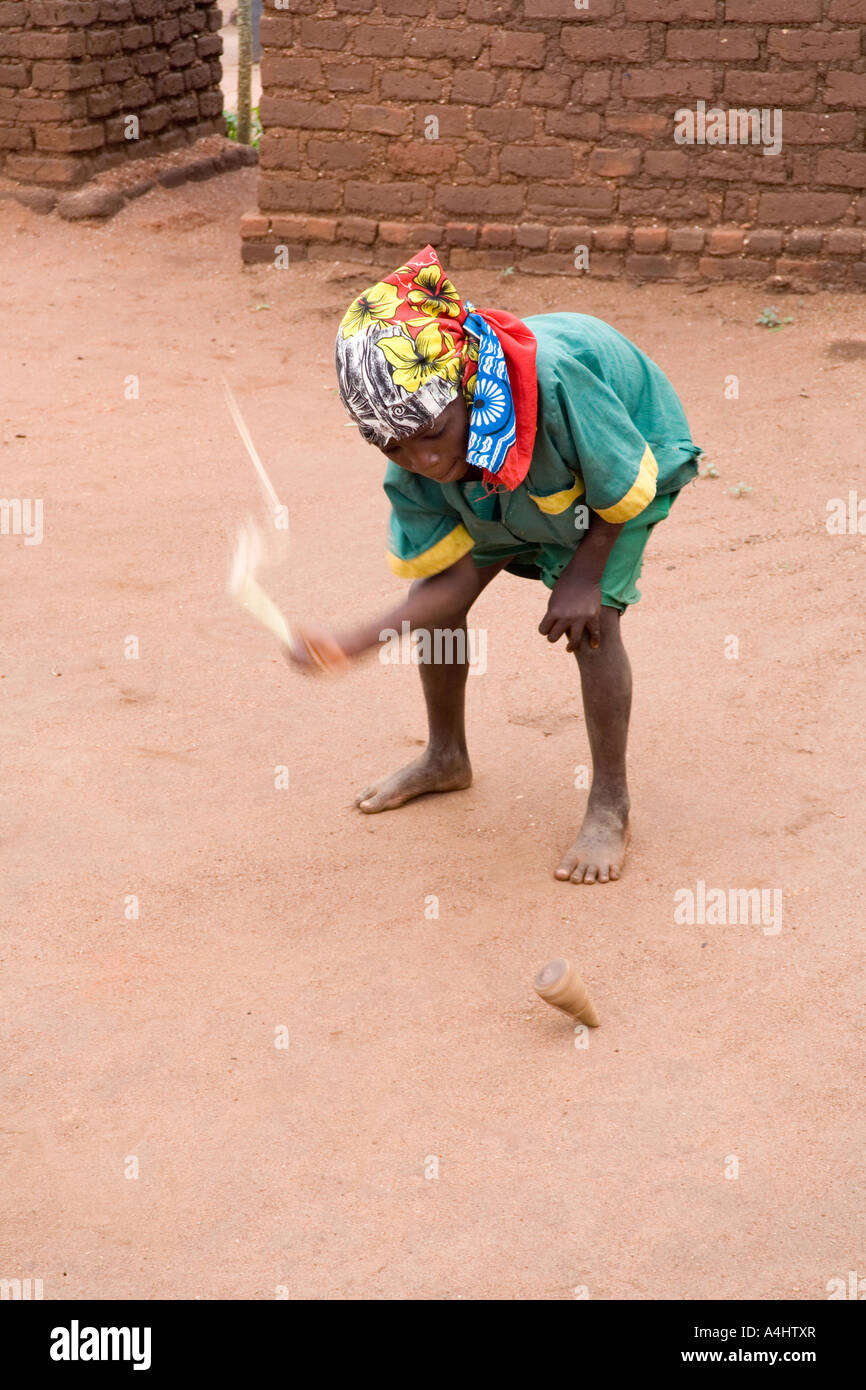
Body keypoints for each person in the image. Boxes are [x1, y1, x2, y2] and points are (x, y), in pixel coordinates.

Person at [290, 246, 700, 885]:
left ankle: (610, 803)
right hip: (496, 479)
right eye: (395, 446)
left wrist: (584, 577)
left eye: (431, 434)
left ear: (464, 385)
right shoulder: (420, 447)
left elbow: (620, 479)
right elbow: (448, 583)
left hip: (609, 469)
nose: (421, 459)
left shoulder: (555, 381)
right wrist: (355, 641)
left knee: (594, 626)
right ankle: (445, 756)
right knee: (438, 606)